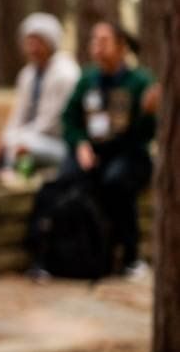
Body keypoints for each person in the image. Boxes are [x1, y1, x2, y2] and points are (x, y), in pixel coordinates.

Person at [58, 19, 158, 276]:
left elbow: (146, 135)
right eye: (94, 41)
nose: (97, 47)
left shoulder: (139, 81)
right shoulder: (88, 78)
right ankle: (75, 254)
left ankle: (130, 256)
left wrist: (148, 113)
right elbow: (69, 118)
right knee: (69, 177)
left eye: (103, 41)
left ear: (121, 46)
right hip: (93, 153)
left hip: (130, 155)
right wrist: (80, 144)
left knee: (116, 181)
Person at [0, 12, 80, 173]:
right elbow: (18, 114)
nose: (32, 49)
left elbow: (52, 122)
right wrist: (6, 137)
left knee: (22, 148)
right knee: (9, 146)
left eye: (37, 43)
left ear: (50, 43)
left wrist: (16, 139)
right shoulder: (28, 74)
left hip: (59, 143)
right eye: (29, 43)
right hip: (31, 138)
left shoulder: (65, 74)